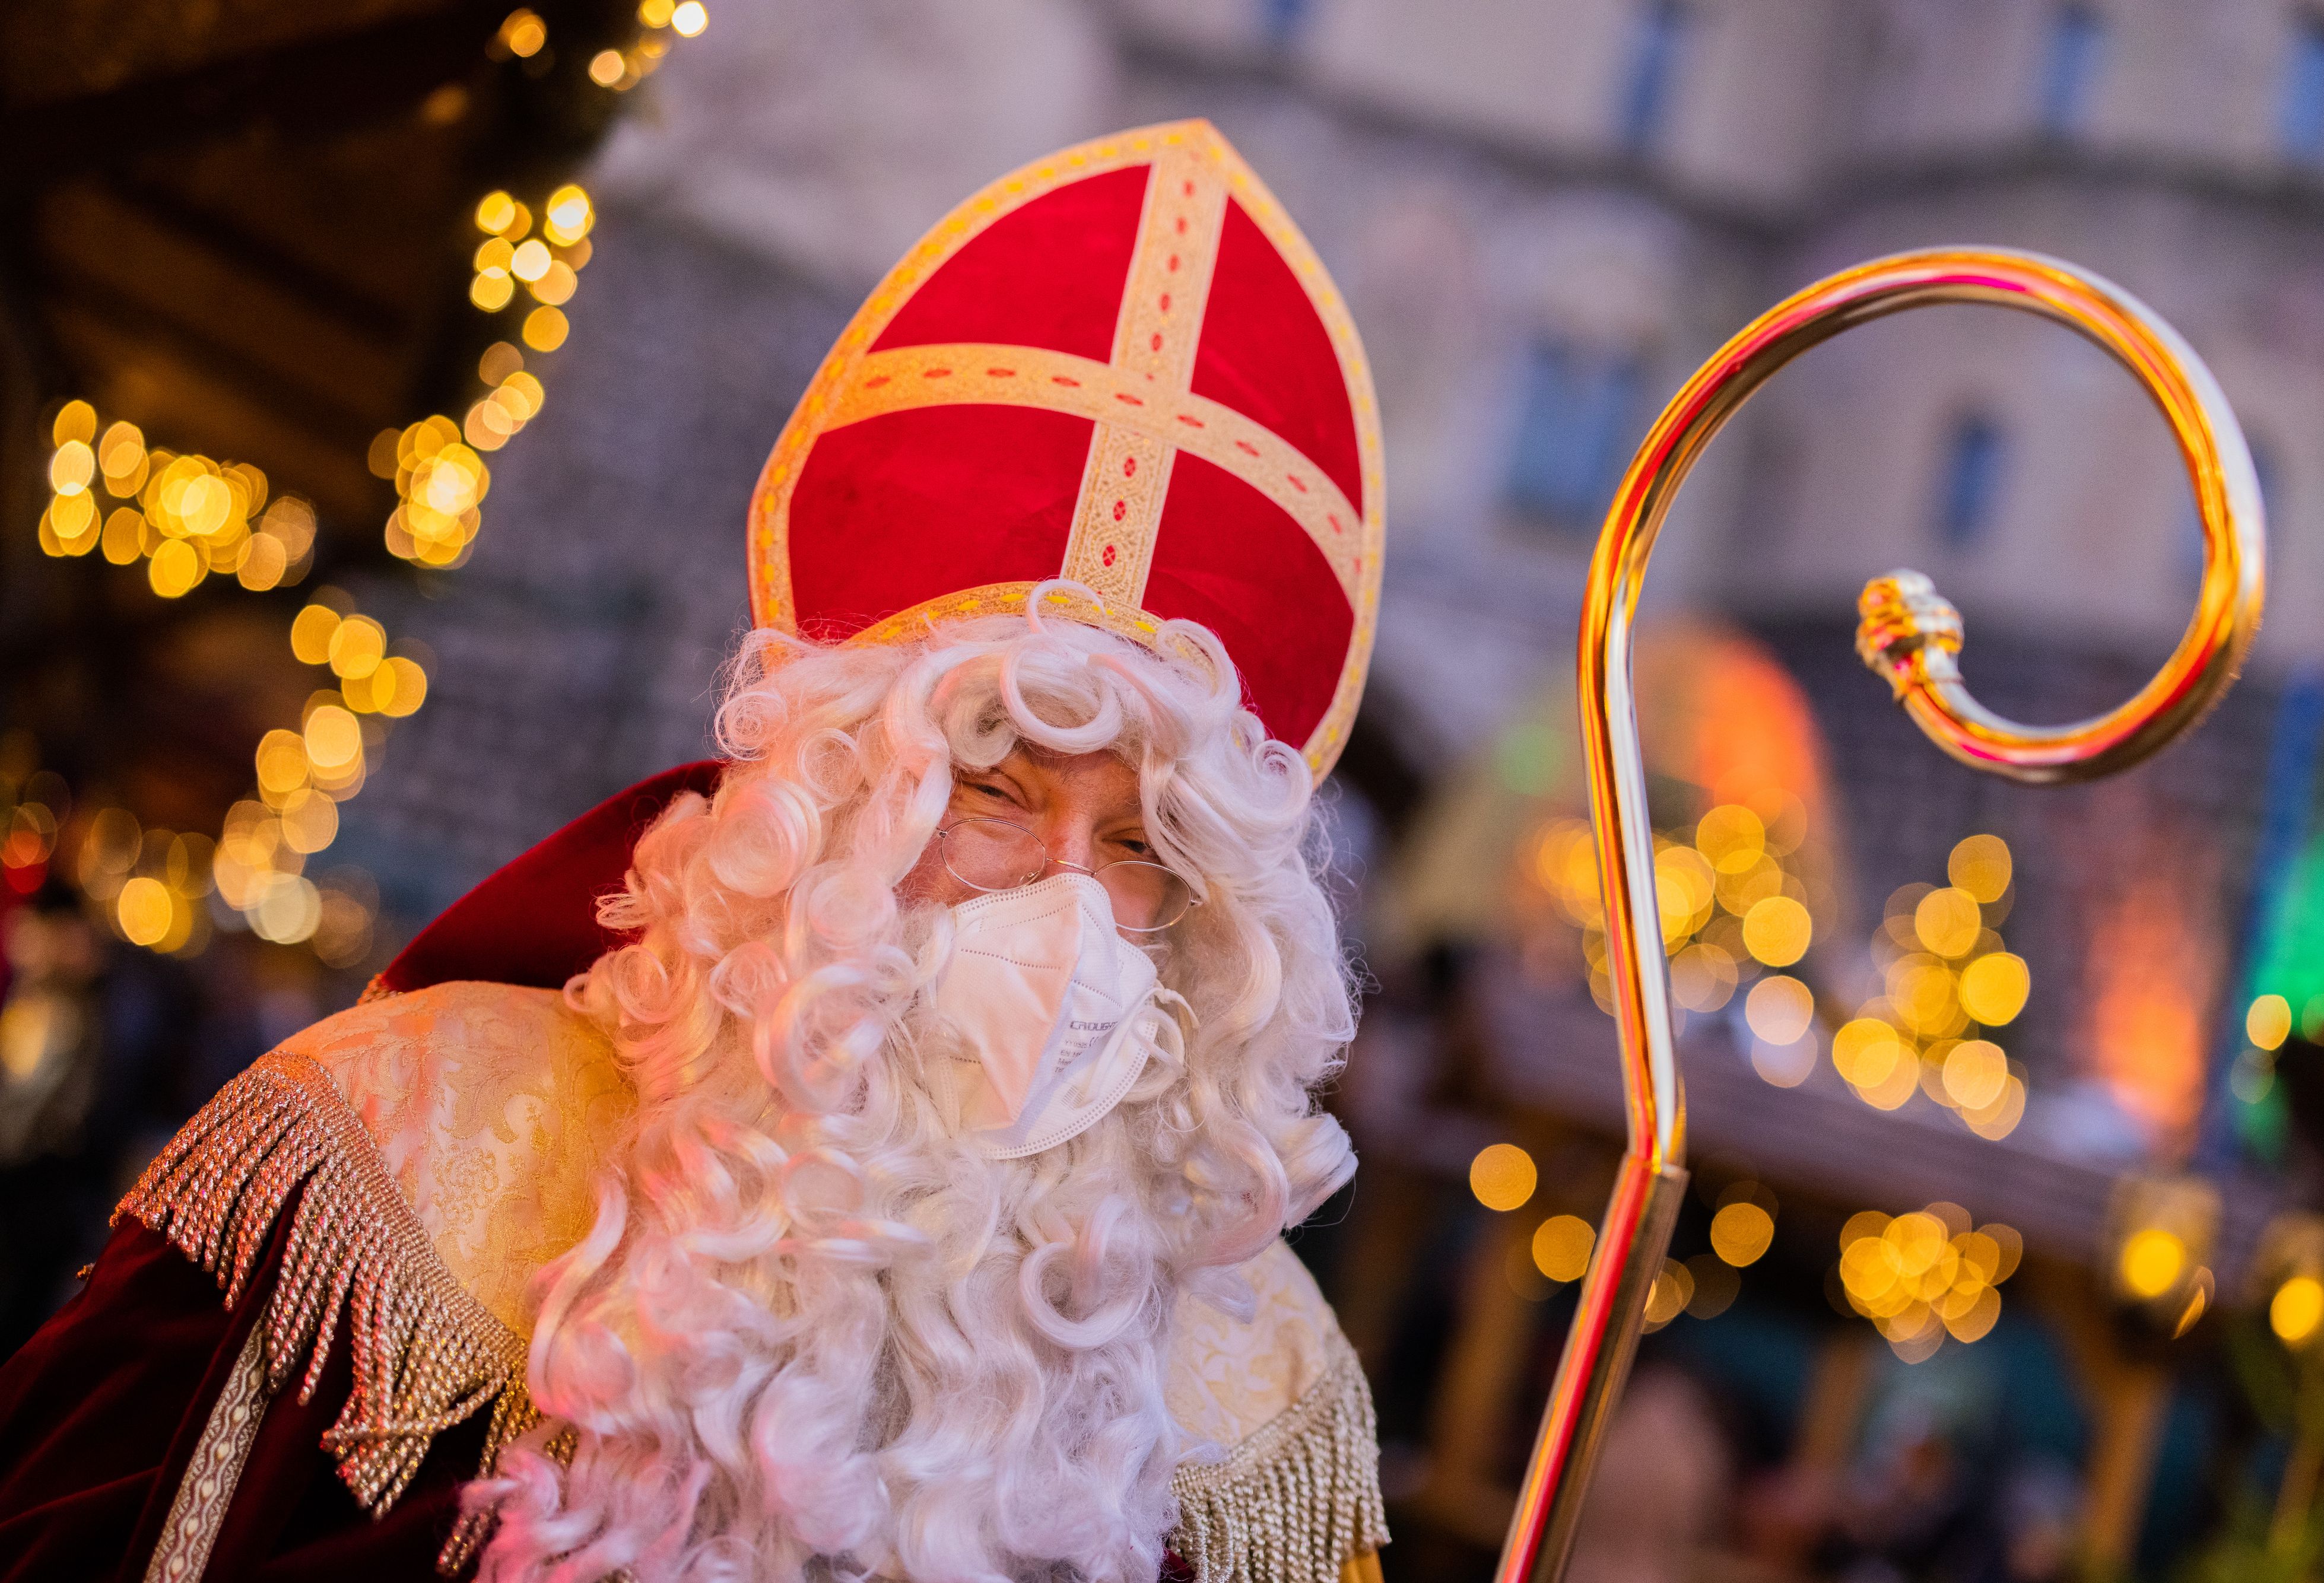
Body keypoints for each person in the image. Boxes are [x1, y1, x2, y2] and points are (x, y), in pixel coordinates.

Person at [0, 119, 1390, 1583]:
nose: (1064, 904)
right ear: (835, 807)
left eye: (1136, 843)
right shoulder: (410, 1142)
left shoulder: (1265, 1391)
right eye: (990, 790)